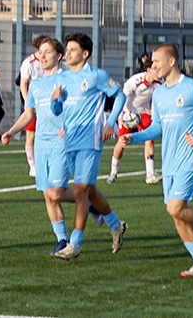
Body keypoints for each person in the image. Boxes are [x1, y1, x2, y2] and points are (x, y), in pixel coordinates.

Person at [119, 43, 193, 277]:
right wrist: (134, 137)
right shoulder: (158, 94)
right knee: (177, 214)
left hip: (190, 158)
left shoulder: (192, 88)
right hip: (169, 162)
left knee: (174, 208)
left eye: (156, 61)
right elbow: (157, 127)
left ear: (172, 61)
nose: (152, 65)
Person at [1, 37, 103, 256]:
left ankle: (85, 201)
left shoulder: (66, 79)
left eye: (48, 51)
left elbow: (78, 107)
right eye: (40, 52)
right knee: (47, 195)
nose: (43, 55)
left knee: (55, 192)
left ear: (59, 56)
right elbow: (29, 114)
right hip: (41, 144)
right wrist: (12, 131)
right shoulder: (35, 84)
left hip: (61, 142)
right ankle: (62, 240)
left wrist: (71, 127)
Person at [50, 33, 128, 260]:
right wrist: (55, 100)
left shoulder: (97, 76)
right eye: (67, 48)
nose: (68, 52)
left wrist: (110, 123)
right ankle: (116, 225)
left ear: (85, 54)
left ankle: (74, 244)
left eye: (73, 49)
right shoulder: (62, 77)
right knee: (89, 191)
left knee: (80, 191)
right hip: (70, 140)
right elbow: (57, 111)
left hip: (90, 141)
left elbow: (120, 95)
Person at [107, 56, 163, 185]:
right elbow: (122, 97)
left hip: (143, 111)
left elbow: (158, 98)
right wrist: (122, 115)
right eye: (156, 69)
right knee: (122, 142)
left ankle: (150, 174)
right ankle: (113, 172)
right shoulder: (135, 81)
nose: (159, 72)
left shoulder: (160, 82)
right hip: (128, 112)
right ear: (148, 69)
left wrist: (153, 113)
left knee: (150, 139)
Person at [20, 34, 48, 177]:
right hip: (34, 104)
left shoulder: (49, 62)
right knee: (30, 135)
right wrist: (27, 102)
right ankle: (32, 166)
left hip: (47, 104)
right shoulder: (29, 62)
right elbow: (23, 84)